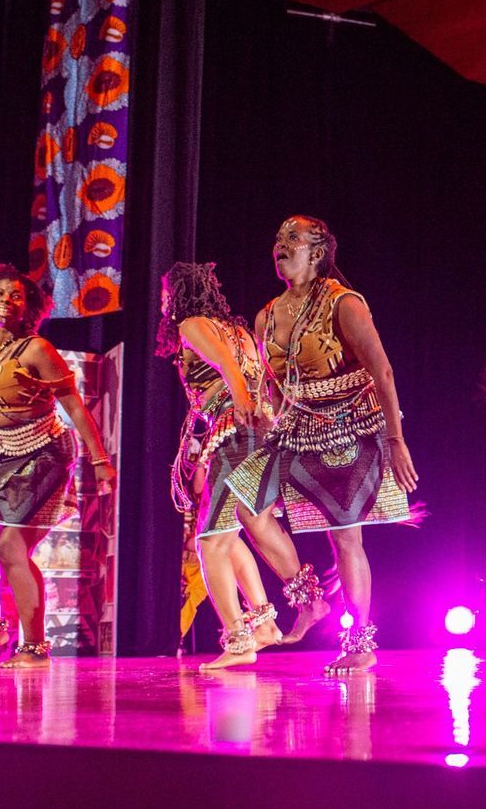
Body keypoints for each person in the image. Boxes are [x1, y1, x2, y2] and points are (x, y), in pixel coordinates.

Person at [229, 216, 421, 676]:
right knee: (247, 508)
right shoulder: (266, 316)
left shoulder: (344, 304)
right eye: (278, 238)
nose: (280, 244)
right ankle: (309, 601)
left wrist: (395, 439)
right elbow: (277, 386)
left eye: (292, 238)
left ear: (317, 253)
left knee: (345, 537)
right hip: (297, 428)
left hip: (351, 425)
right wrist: (263, 413)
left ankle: (359, 643)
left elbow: (383, 371)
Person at [158, 261, 327, 669]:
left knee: (210, 541)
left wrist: (242, 408)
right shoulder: (239, 332)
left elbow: (228, 368)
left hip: (236, 433)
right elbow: (263, 378)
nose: (163, 304)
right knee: (251, 524)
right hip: (257, 434)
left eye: (165, 295)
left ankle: (239, 640)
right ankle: (289, 612)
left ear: (177, 296)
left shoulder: (192, 325)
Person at [0, 266, 115, 669]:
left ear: (29, 307)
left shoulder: (38, 349)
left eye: (16, 296)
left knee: (10, 545)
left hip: (44, 453)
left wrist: (100, 461)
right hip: (1, 454)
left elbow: (75, 407)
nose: (6, 300)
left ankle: (35, 648)